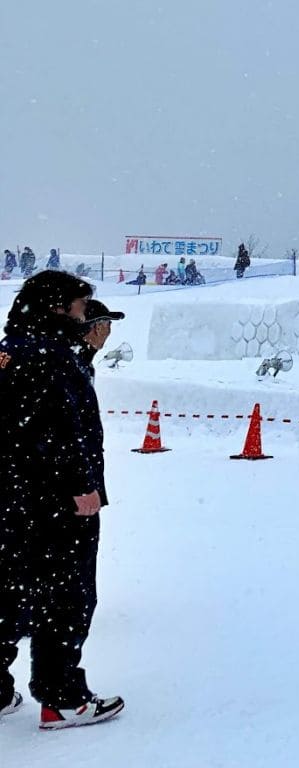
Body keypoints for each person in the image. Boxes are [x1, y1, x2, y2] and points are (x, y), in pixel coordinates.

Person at [0, 271, 125, 729]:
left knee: (10, 592)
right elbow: (53, 433)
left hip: (14, 498)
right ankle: (62, 698)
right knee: (66, 597)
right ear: (56, 308)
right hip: (56, 503)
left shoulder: (12, 350)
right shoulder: (49, 358)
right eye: (78, 306)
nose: (84, 314)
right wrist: (80, 487)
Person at [78, 299, 126, 380]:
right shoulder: (75, 366)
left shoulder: (79, 362)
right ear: (98, 328)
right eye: (108, 325)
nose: (109, 332)